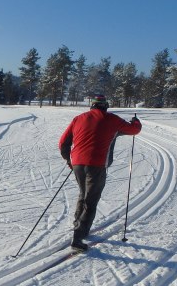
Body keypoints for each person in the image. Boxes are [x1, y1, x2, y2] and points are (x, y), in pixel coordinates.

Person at [58, 94, 142, 252]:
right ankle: (78, 237)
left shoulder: (78, 118)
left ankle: (79, 225)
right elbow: (134, 130)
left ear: (92, 106)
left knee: (83, 194)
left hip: (77, 163)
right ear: (105, 106)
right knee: (91, 200)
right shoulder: (112, 119)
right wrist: (136, 122)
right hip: (97, 164)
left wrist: (69, 160)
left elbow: (63, 143)